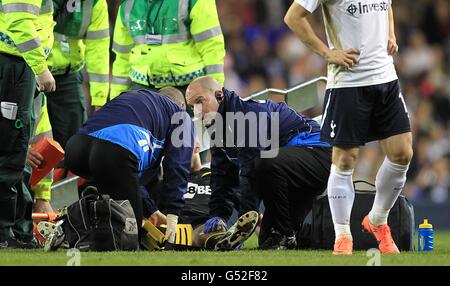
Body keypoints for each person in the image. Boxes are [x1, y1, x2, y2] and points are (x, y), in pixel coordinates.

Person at [284, 0, 413, 254]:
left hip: (386, 78)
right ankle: (343, 234)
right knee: (344, 160)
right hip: (348, 82)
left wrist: (390, 32)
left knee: (403, 153)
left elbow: (385, 6)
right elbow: (293, 17)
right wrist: (327, 53)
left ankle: (377, 220)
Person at [185, 76, 332, 249]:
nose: (197, 112)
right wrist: (219, 215)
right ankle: (295, 235)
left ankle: (284, 234)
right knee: (268, 242)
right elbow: (222, 176)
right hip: (288, 169)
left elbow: (250, 171)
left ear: (219, 95)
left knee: (263, 162)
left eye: (200, 102)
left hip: (318, 152)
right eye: (192, 106)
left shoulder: (247, 115)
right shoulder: (218, 129)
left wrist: (244, 219)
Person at [64, 88, 195, 242]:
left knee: (113, 195)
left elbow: (131, 177)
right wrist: (173, 214)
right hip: (114, 153)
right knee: (131, 233)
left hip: (76, 149)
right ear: (181, 104)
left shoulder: (133, 101)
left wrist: (151, 210)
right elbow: (177, 165)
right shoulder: (181, 115)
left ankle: (77, 221)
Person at [0, 0, 56, 249]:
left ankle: (19, 231)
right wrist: (41, 68)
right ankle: (4, 233)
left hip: (20, 65)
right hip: (16, 64)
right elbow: (20, 22)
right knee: (11, 154)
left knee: (18, 150)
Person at [110, 0, 225, 99]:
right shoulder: (127, 6)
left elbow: (211, 48)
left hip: (188, 89)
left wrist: (215, 92)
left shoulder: (193, 1)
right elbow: (122, 58)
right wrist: (116, 100)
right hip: (141, 90)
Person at [45, 0, 110, 149]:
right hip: (33, 72)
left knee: (74, 143)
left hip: (68, 77)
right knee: (31, 139)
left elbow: (98, 51)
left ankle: (66, 171)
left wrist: (99, 100)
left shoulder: (95, 3)